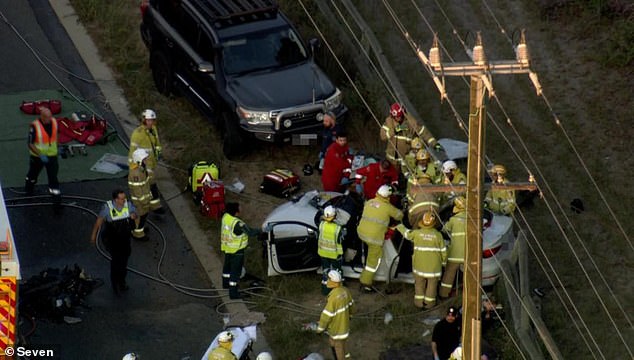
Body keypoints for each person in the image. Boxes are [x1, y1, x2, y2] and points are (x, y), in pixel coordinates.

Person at [90, 189, 137, 295]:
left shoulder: (128, 205)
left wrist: (134, 215)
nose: (124, 200)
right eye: (121, 199)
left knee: (124, 262)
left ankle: (122, 282)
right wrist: (93, 235)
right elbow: (99, 221)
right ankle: (115, 284)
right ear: (115, 199)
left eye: (124, 198)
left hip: (124, 238)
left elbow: (135, 213)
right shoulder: (107, 208)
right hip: (113, 239)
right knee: (116, 262)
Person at [357, 185, 403, 292]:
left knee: (369, 253)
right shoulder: (387, 207)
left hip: (362, 233)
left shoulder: (369, 202)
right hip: (374, 238)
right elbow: (399, 215)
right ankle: (366, 283)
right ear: (387, 197)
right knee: (373, 261)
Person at [395, 212, 446, 309]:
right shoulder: (438, 235)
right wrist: (443, 263)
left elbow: (407, 234)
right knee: (432, 286)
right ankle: (429, 304)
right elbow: (443, 251)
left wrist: (399, 226)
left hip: (419, 267)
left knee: (419, 285)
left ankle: (419, 303)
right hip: (433, 268)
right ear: (434, 223)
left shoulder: (417, 234)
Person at [380, 103, 440, 172]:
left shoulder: (411, 122)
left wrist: (434, 144)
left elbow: (423, 132)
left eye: (399, 116)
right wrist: (394, 130)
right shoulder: (389, 123)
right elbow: (383, 136)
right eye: (396, 117)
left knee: (406, 176)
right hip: (391, 159)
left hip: (406, 159)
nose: (398, 118)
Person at [221, 202, 260, 299]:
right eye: (240, 208)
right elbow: (250, 232)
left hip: (227, 248)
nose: (241, 209)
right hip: (237, 251)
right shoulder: (237, 224)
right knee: (235, 272)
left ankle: (225, 284)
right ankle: (233, 293)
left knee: (227, 268)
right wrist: (262, 230)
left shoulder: (226, 217)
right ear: (236, 211)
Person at [129, 109, 164, 214]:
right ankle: (153, 206)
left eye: (152, 120)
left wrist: (158, 152)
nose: (151, 122)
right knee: (150, 183)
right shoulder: (137, 134)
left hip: (151, 162)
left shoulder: (153, 129)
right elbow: (132, 152)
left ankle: (153, 205)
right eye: (148, 120)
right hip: (143, 164)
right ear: (144, 120)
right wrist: (134, 167)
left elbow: (157, 143)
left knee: (150, 183)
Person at [24, 107, 61, 202]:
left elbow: (56, 134)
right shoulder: (35, 126)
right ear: (42, 117)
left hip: (52, 156)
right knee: (32, 175)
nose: (49, 119)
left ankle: (56, 200)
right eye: (47, 117)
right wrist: (40, 154)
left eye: (50, 117)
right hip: (37, 157)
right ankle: (28, 190)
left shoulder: (54, 122)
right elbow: (30, 143)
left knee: (53, 178)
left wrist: (57, 146)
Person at [316, 270, 355, 360]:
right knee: (344, 346)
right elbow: (352, 306)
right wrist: (350, 316)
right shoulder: (345, 291)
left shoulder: (333, 297)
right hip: (345, 327)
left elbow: (326, 316)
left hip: (336, 330)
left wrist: (320, 329)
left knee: (339, 349)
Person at [439, 196, 467, 299]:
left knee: (449, 274)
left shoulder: (453, 219)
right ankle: (468, 294)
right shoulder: (472, 219)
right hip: (467, 254)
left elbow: (444, 230)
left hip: (454, 254)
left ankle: (443, 294)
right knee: (469, 276)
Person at [318, 205, 346, 295]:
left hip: (323, 253)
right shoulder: (337, 228)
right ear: (334, 216)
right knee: (337, 272)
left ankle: (325, 290)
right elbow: (341, 240)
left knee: (326, 271)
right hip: (335, 254)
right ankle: (339, 290)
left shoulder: (321, 225)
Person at [128, 149, 152, 241]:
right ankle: (138, 234)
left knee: (143, 216)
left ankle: (139, 229)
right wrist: (145, 201)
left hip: (143, 199)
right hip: (139, 201)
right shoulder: (136, 174)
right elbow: (138, 191)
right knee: (140, 217)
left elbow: (145, 185)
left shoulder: (141, 169)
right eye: (145, 159)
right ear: (139, 160)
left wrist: (148, 195)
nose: (146, 160)